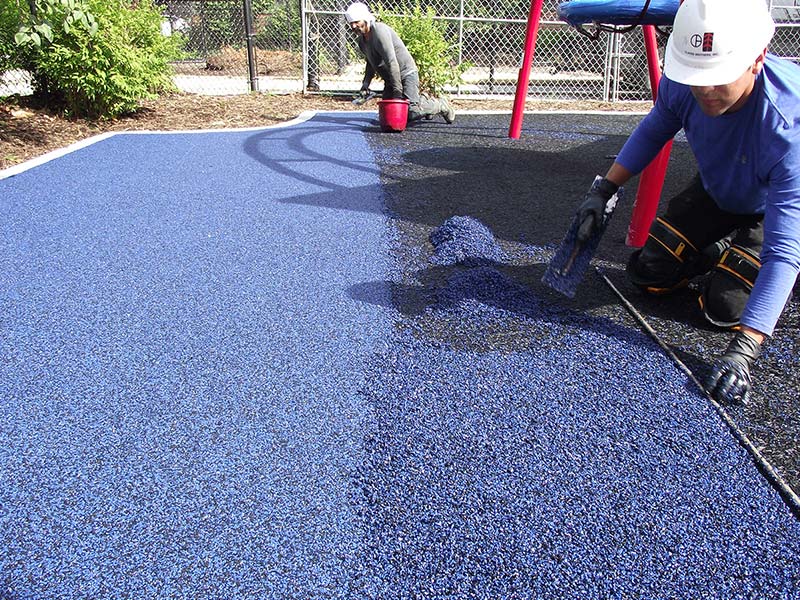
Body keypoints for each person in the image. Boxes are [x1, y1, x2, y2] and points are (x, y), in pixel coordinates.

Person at [575, 0, 800, 405]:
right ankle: (717, 250)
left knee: (724, 309)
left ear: (757, 59)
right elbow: (655, 128)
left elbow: (784, 251)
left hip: (773, 206)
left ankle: (736, 257)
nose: (704, 90)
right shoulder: (687, 80)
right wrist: (603, 191)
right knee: (648, 274)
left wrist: (742, 351)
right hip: (718, 189)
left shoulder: (788, 128)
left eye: (717, 78)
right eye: (696, 77)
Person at [344, 2, 455, 124]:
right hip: (391, 78)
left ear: (365, 19)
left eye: (357, 22)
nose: (354, 26)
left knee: (411, 112)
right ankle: (422, 101)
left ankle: (440, 105)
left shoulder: (379, 32)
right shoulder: (362, 41)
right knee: (388, 115)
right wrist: (365, 85)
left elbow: (392, 62)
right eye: (351, 23)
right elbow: (370, 63)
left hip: (406, 73)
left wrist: (397, 92)